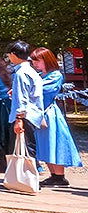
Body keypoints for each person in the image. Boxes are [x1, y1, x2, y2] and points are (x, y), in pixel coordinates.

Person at [31, 47, 82, 188]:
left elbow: (44, 90)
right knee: (45, 144)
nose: (35, 63)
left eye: (38, 60)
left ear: (47, 60)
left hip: (50, 114)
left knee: (54, 142)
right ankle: (54, 175)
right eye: (34, 61)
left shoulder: (55, 75)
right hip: (41, 113)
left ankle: (59, 176)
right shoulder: (40, 75)